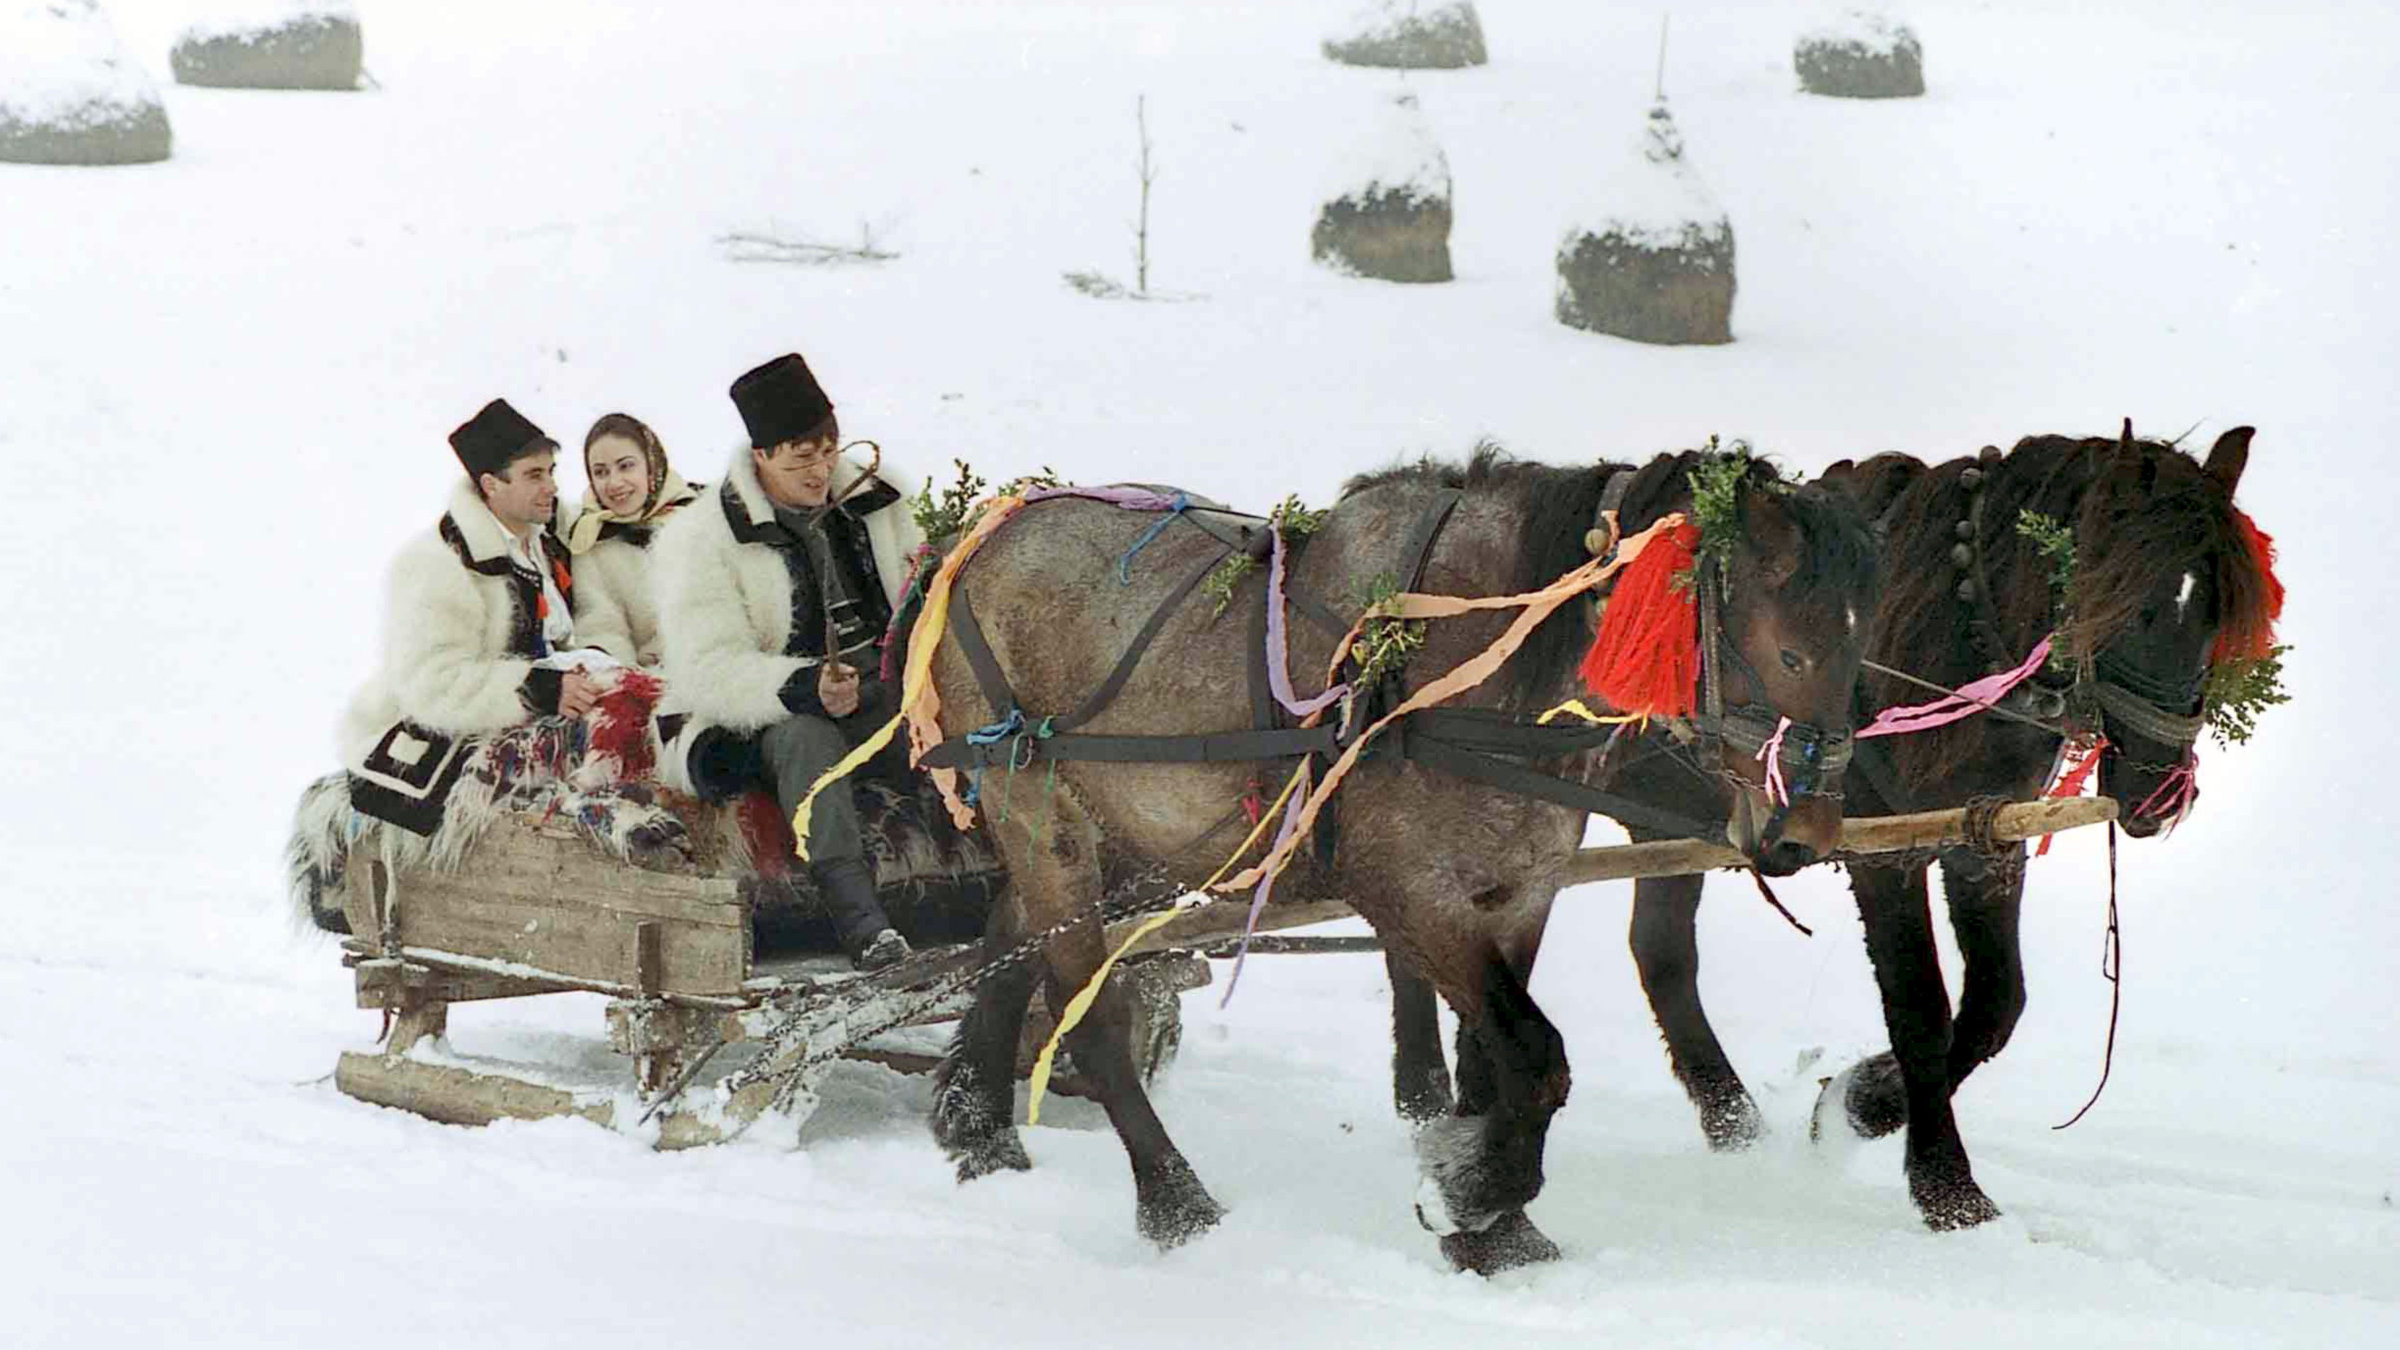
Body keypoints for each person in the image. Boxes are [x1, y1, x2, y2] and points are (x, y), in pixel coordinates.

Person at [655, 353, 913, 971]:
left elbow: (913, 591)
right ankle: (861, 921)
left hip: (878, 689)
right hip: (753, 718)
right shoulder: (699, 539)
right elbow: (707, 669)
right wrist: (805, 686)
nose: (821, 469)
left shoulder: (874, 499)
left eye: (829, 450)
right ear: (762, 455)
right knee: (807, 741)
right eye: (801, 456)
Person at [340, 398, 615, 834]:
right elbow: (432, 685)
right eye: (534, 475)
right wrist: (538, 689)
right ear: (491, 485)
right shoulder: (435, 565)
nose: (552, 487)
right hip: (458, 733)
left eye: (551, 471)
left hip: (553, 710)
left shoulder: (547, 537)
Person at [566, 412, 700, 667]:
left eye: (626, 466)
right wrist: (626, 673)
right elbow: (601, 627)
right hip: (654, 682)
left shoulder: (698, 518)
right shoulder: (591, 539)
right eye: (601, 472)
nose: (615, 483)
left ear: (652, 465)